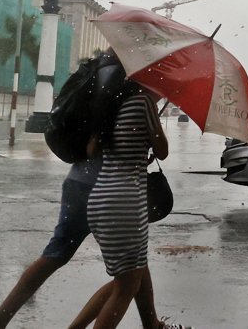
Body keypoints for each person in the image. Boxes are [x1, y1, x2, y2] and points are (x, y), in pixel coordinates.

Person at [68, 82, 174, 329]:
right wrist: (153, 129)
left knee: (127, 279)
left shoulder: (109, 102)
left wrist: (133, 151)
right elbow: (163, 150)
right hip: (126, 203)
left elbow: (93, 148)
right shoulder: (144, 102)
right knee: (125, 289)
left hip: (100, 201)